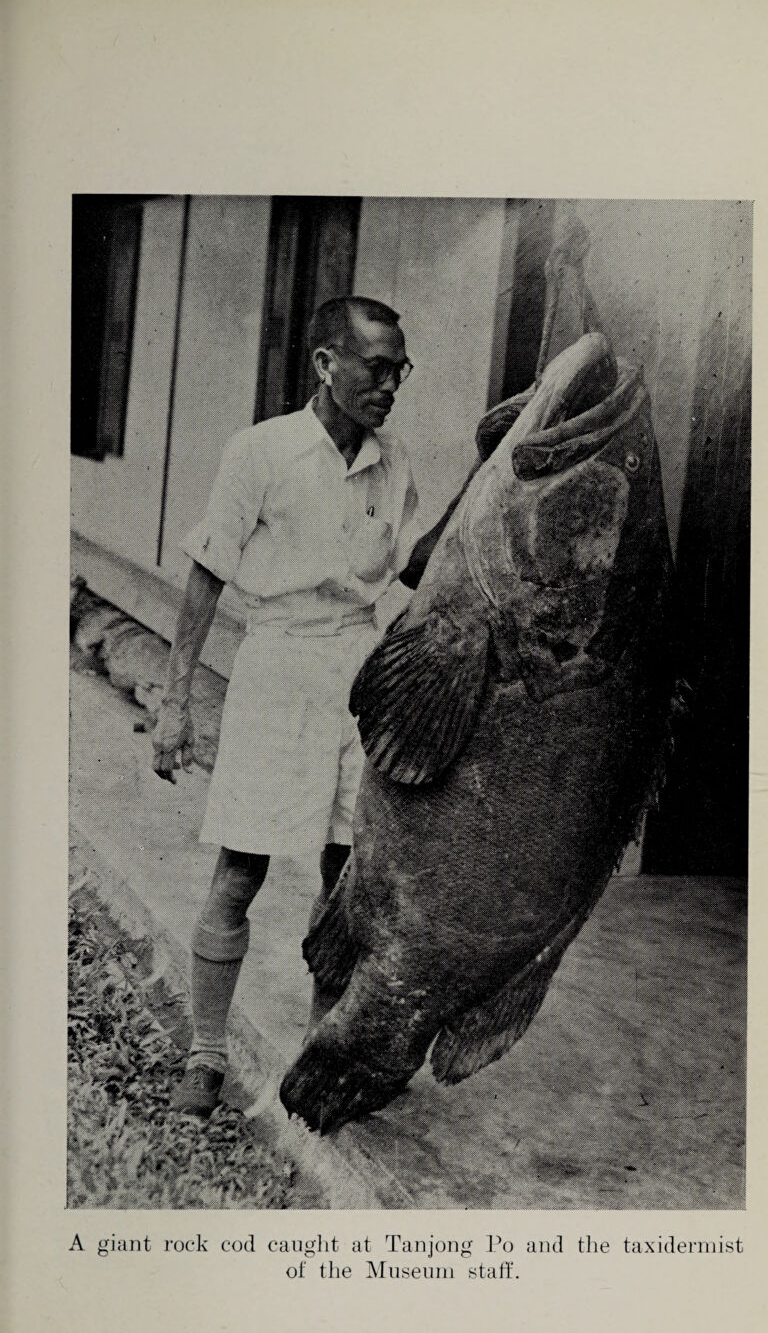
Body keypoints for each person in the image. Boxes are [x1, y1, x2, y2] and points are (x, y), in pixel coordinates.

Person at [152, 295, 450, 1118]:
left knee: (345, 880)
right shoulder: (263, 450)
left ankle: (321, 1060)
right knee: (239, 872)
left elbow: (403, 572)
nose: (390, 386)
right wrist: (175, 701)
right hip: (278, 666)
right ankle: (205, 1054)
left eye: (400, 371)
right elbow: (207, 568)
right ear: (326, 363)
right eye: (375, 368)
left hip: (361, 672)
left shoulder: (395, 463)